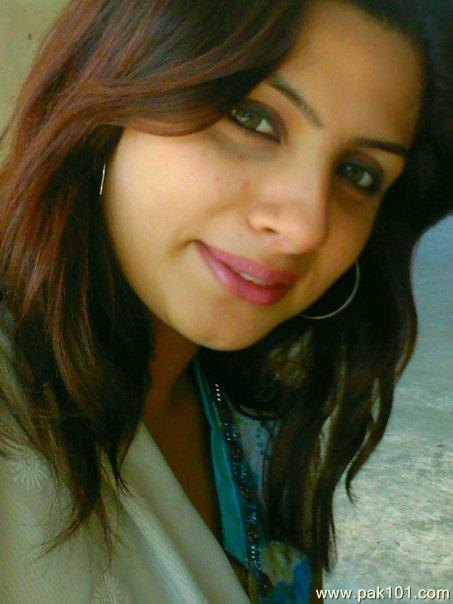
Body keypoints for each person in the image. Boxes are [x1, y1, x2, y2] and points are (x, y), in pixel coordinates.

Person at [0, 0, 451, 602]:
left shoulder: (251, 412)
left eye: (358, 173)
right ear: (111, 97)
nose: (306, 228)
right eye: (253, 119)